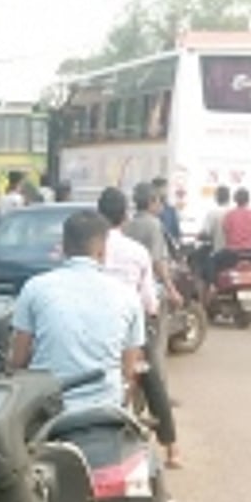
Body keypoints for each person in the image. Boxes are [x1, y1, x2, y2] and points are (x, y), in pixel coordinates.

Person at [10, 211, 145, 413]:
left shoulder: (35, 288)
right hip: (106, 409)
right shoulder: (127, 295)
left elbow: (18, 360)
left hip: (48, 411)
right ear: (102, 250)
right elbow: (129, 368)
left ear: (63, 247)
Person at [98, 187, 182, 468]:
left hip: (93, 328)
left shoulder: (90, 247)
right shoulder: (137, 251)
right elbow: (149, 300)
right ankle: (171, 448)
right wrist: (154, 308)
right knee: (152, 378)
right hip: (129, 327)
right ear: (124, 216)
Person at [124, 183, 183, 403]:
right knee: (157, 347)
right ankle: (160, 398)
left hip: (127, 295)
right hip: (149, 294)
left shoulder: (128, 225)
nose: (161, 205)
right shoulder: (154, 225)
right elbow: (158, 261)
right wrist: (171, 288)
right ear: (151, 202)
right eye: (159, 200)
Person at [197, 185, 231, 293]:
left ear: (216, 198)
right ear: (229, 198)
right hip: (235, 252)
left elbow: (206, 233)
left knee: (200, 263)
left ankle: (209, 288)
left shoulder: (212, 213)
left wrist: (199, 236)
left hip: (218, 250)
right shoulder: (233, 212)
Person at [152, 177, 182, 242]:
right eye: (161, 188)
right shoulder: (149, 208)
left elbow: (176, 231)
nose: (166, 191)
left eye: (166, 188)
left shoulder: (171, 210)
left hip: (168, 246)